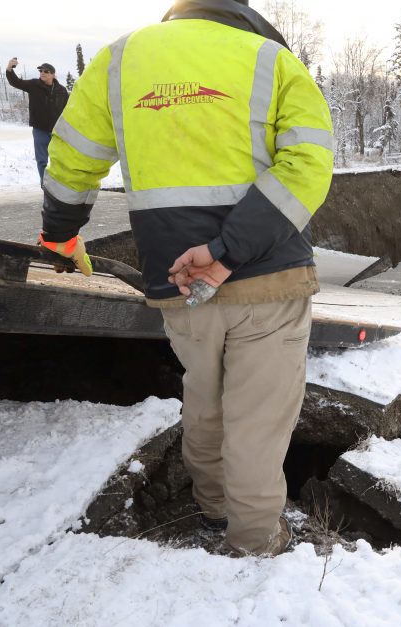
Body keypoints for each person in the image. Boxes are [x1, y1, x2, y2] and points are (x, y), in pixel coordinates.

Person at [36, 0, 333, 556]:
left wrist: (58, 236)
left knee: (204, 398)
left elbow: (71, 159)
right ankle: (253, 545)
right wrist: (226, 251)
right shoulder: (271, 59)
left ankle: (214, 510)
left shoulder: (121, 59)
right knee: (257, 420)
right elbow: (308, 167)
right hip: (268, 276)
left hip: (177, 279)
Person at [5, 59, 68, 184]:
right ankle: (45, 184)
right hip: (40, 130)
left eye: (46, 71)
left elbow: (68, 110)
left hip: (57, 131)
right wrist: (9, 68)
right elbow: (16, 82)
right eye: (41, 71)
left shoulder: (61, 90)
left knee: (61, 160)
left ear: (53, 74)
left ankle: (61, 185)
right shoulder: (34, 85)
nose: (42, 73)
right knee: (42, 160)